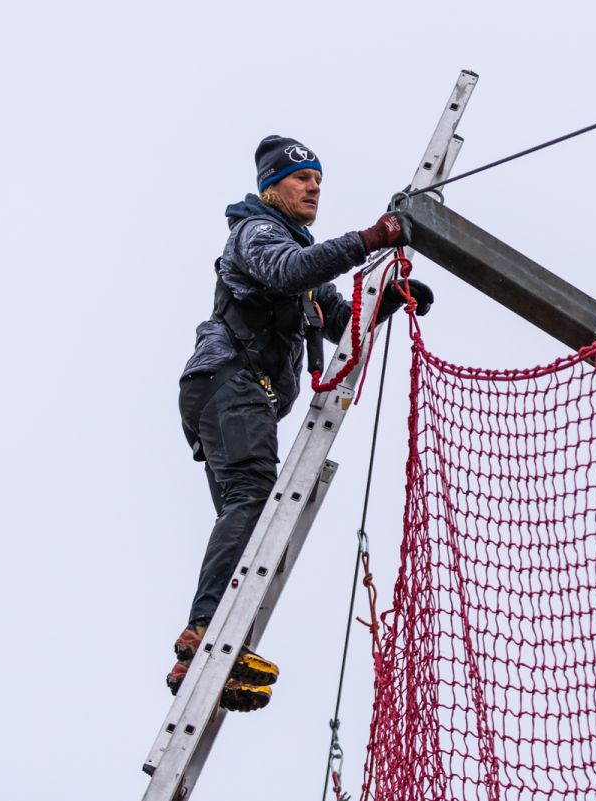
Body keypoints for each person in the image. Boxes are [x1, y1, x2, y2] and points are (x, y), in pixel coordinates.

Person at [168, 135, 432, 711]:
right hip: (227, 382)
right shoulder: (258, 233)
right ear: (271, 188)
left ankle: (202, 653)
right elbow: (290, 271)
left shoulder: (301, 261)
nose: (314, 187)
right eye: (301, 179)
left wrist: (391, 298)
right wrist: (370, 240)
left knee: (249, 514)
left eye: (318, 179)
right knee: (253, 496)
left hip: (235, 394)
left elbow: (339, 317)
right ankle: (207, 626)